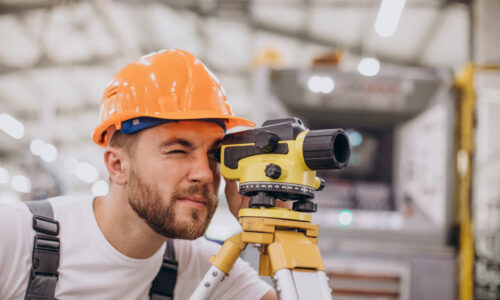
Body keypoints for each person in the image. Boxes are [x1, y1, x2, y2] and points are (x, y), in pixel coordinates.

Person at [0, 49, 277, 300]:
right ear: (117, 166)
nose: (205, 174)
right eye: (178, 150)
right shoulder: (15, 237)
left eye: (214, 154)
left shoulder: (203, 267)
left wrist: (274, 228)